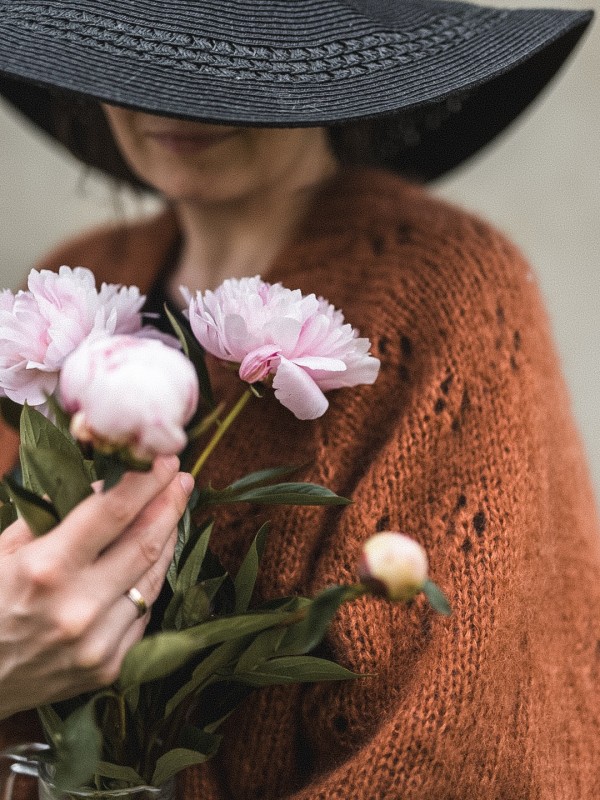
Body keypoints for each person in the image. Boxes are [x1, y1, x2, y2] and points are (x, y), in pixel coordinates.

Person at [0, 1, 599, 798]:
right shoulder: (72, 289)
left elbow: (464, 749)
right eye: (140, 54)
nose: (162, 101)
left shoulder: (445, 298)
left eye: (226, 60)